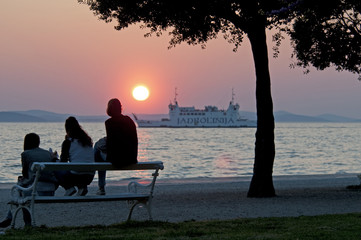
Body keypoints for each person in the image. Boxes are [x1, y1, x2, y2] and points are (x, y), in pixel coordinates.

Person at [0, 133, 58, 228]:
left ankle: (23, 222)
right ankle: (9, 218)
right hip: (50, 190)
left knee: (19, 190)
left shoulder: (25, 154)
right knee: (21, 188)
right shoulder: (48, 153)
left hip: (35, 191)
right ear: (38, 142)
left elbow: (25, 174)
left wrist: (22, 180)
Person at [94, 98, 138, 195]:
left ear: (109, 109)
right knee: (99, 145)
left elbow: (112, 144)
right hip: (131, 159)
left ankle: (101, 187)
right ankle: (100, 187)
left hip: (117, 160)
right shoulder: (129, 120)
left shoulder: (109, 123)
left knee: (97, 148)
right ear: (120, 108)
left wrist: (103, 146)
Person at [55, 117, 95, 196]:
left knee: (55, 167)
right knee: (78, 167)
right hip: (90, 176)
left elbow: (63, 162)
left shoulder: (68, 142)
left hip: (76, 176)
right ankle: (82, 187)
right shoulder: (87, 141)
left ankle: (69, 188)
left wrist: (54, 158)